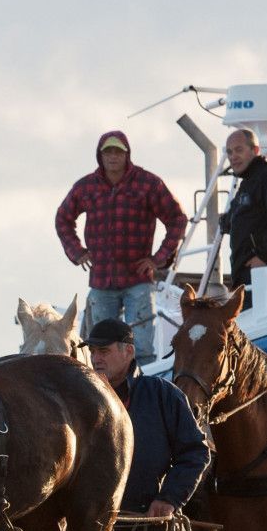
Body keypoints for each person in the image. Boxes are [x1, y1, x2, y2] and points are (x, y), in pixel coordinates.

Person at [83, 319, 210, 531]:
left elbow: (196, 451)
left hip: (151, 530)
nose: (95, 359)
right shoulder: (80, 401)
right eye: (92, 352)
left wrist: (169, 498)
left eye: (103, 352)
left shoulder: (162, 394)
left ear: (128, 351)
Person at [56, 130, 188, 367]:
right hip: (101, 280)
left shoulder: (147, 183)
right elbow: (63, 218)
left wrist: (158, 259)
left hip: (138, 278)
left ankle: (143, 384)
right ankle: (105, 391)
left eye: (118, 151)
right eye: (108, 152)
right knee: (100, 345)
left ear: (127, 155)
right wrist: (77, 252)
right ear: (100, 156)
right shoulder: (86, 187)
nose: (113, 156)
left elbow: (177, 218)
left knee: (142, 348)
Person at [222, 128, 267, 304]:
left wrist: (263, 256)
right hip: (246, 274)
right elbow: (235, 219)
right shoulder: (247, 185)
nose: (233, 157)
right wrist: (224, 221)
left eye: (239, 150)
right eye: (229, 152)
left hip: (265, 272)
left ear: (255, 150)